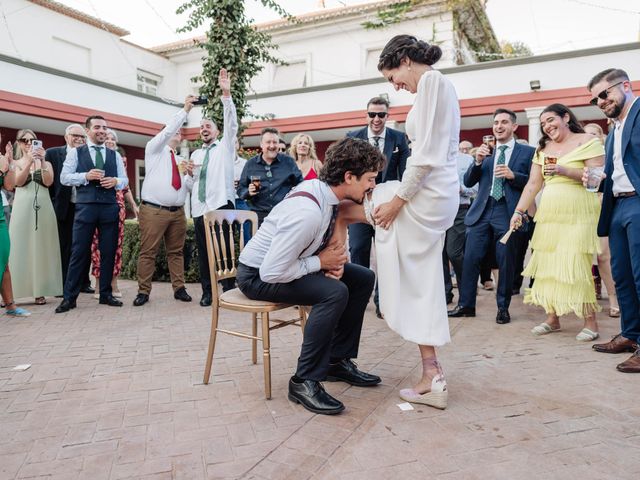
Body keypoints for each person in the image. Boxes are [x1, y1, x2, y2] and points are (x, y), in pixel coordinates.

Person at [336, 35, 462, 409]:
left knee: (360, 203)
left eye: (392, 76)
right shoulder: (430, 90)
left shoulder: (434, 83)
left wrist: (397, 202)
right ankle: (431, 373)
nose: (395, 86)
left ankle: (330, 264)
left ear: (405, 60)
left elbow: (424, 158)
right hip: (429, 191)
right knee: (420, 280)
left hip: (429, 194)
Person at [236, 137, 383, 415]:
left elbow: (336, 227)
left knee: (362, 278)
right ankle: (304, 381)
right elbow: (272, 271)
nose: (372, 186)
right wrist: (320, 262)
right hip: (257, 276)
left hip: (286, 264)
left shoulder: (326, 193)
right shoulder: (307, 212)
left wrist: (329, 261)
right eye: (370, 179)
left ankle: (336, 363)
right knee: (333, 292)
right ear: (349, 177)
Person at [509, 104, 604, 341]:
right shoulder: (543, 148)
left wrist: (563, 170)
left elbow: (596, 179)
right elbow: (533, 184)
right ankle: (552, 318)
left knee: (577, 263)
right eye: (543, 123)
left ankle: (590, 321)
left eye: (551, 120)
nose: (547, 126)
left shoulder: (588, 141)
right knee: (547, 262)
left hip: (579, 209)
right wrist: (519, 211)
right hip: (550, 212)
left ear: (565, 117)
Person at [448, 109, 535, 324]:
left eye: (504, 122)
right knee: (470, 259)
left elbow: (534, 182)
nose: (499, 126)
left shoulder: (527, 152)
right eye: (496, 122)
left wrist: (514, 176)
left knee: (506, 261)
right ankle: (466, 305)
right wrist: (477, 162)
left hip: (507, 212)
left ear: (514, 126)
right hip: (481, 212)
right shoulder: (485, 152)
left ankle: (503, 307)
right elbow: (468, 182)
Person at [587, 68, 640, 372]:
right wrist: (595, 179)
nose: (601, 101)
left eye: (605, 94)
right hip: (617, 206)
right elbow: (616, 171)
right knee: (622, 276)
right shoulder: (613, 130)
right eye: (595, 99)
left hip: (638, 202)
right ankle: (631, 334)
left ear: (626, 86)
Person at [55, 115, 129, 313]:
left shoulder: (114, 155)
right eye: (97, 127)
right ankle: (69, 298)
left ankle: (105, 294)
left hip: (109, 207)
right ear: (88, 130)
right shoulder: (76, 153)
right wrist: (85, 176)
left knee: (108, 252)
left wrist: (115, 182)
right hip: (85, 207)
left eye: (104, 127)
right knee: (78, 252)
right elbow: (64, 178)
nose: (102, 130)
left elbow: (124, 180)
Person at [346, 96, 410, 318]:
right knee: (358, 249)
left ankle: (384, 301)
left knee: (386, 252)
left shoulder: (399, 139)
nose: (376, 119)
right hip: (359, 205)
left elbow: (405, 174)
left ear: (387, 116)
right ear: (366, 115)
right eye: (372, 114)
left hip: (387, 206)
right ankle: (359, 298)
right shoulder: (353, 137)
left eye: (381, 114)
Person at [133, 98, 196, 307]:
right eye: (175, 130)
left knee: (176, 252)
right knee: (148, 252)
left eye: (180, 131)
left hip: (177, 212)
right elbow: (169, 130)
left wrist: (190, 176)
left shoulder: (179, 160)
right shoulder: (154, 149)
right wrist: (185, 110)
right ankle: (143, 291)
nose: (178, 133)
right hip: (154, 211)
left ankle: (179, 288)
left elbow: (185, 188)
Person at [190, 69, 237, 307]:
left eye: (208, 125)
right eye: (201, 127)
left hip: (221, 203)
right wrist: (188, 174)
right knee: (205, 252)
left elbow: (231, 122)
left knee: (225, 249)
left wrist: (226, 94)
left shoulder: (225, 147)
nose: (204, 129)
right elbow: (193, 184)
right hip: (200, 207)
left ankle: (229, 289)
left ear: (217, 131)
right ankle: (208, 292)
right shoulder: (196, 153)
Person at [9, 129, 62, 304]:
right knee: (20, 248)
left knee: (42, 248)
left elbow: (48, 182)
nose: (28, 143)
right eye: (24, 140)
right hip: (22, 208)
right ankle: (15, 292)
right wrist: (29, 162)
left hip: (44, 208)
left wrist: (42, 161)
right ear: (19, 143)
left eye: (32, 140)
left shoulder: (46, 163)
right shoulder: (14, 162)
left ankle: (40, 290)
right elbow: (17, 182)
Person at [46, 124, 94, 294]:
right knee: (64, 246)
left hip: (84, 206)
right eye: (76, 135)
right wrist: (53, 203)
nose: (80, 139)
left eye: (83, 137)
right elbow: (49, 182)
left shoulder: (89, 154)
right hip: (63, 207)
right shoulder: (52, 153)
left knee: (84, 245)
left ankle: (83, 282)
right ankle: (63, 285)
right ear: (66, 137)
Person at [91, 132, 138, 299]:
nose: (110, 141)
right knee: (97, 246)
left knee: (116, 246)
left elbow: (125, 187)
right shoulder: (94, 156)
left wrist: (133, 204)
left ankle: (114, 283)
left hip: (117, 206)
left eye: (113, 139)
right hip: (96, 204)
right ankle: (97, 284)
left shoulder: (119, 160)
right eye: (108, 138)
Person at [583, 122, 620, 317]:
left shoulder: (610, 157)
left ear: (601, 137)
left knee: (604, 256)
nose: (590, 137)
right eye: (586, 134)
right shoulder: (580, 157)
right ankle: (587, 299)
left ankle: (614, 298)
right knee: (584, 257)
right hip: (581, 207)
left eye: (594, 134)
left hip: (602, 206)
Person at [237, 128, 303, 225]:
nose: (272, 146)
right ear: (261, 144)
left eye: (275, 142)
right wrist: (248, 192)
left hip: (284, 215)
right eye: (268, 142)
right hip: (258, 217)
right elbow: (240, 189)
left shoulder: (288, 162)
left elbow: (301, 184)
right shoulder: (250, 164)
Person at [0, 134, 30, 317]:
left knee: (3, 261)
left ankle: (10, 306)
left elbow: (10, 186)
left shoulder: (1, 158)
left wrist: (10, 163)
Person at [443, 149, 477, 305]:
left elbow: (475, 189)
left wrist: (461, 189)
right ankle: (445, 293)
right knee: (439, 254)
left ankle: (467, 293)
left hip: (459, 208)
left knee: (454, 252)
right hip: (436, 210)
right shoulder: (432, 156)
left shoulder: (467, 159)